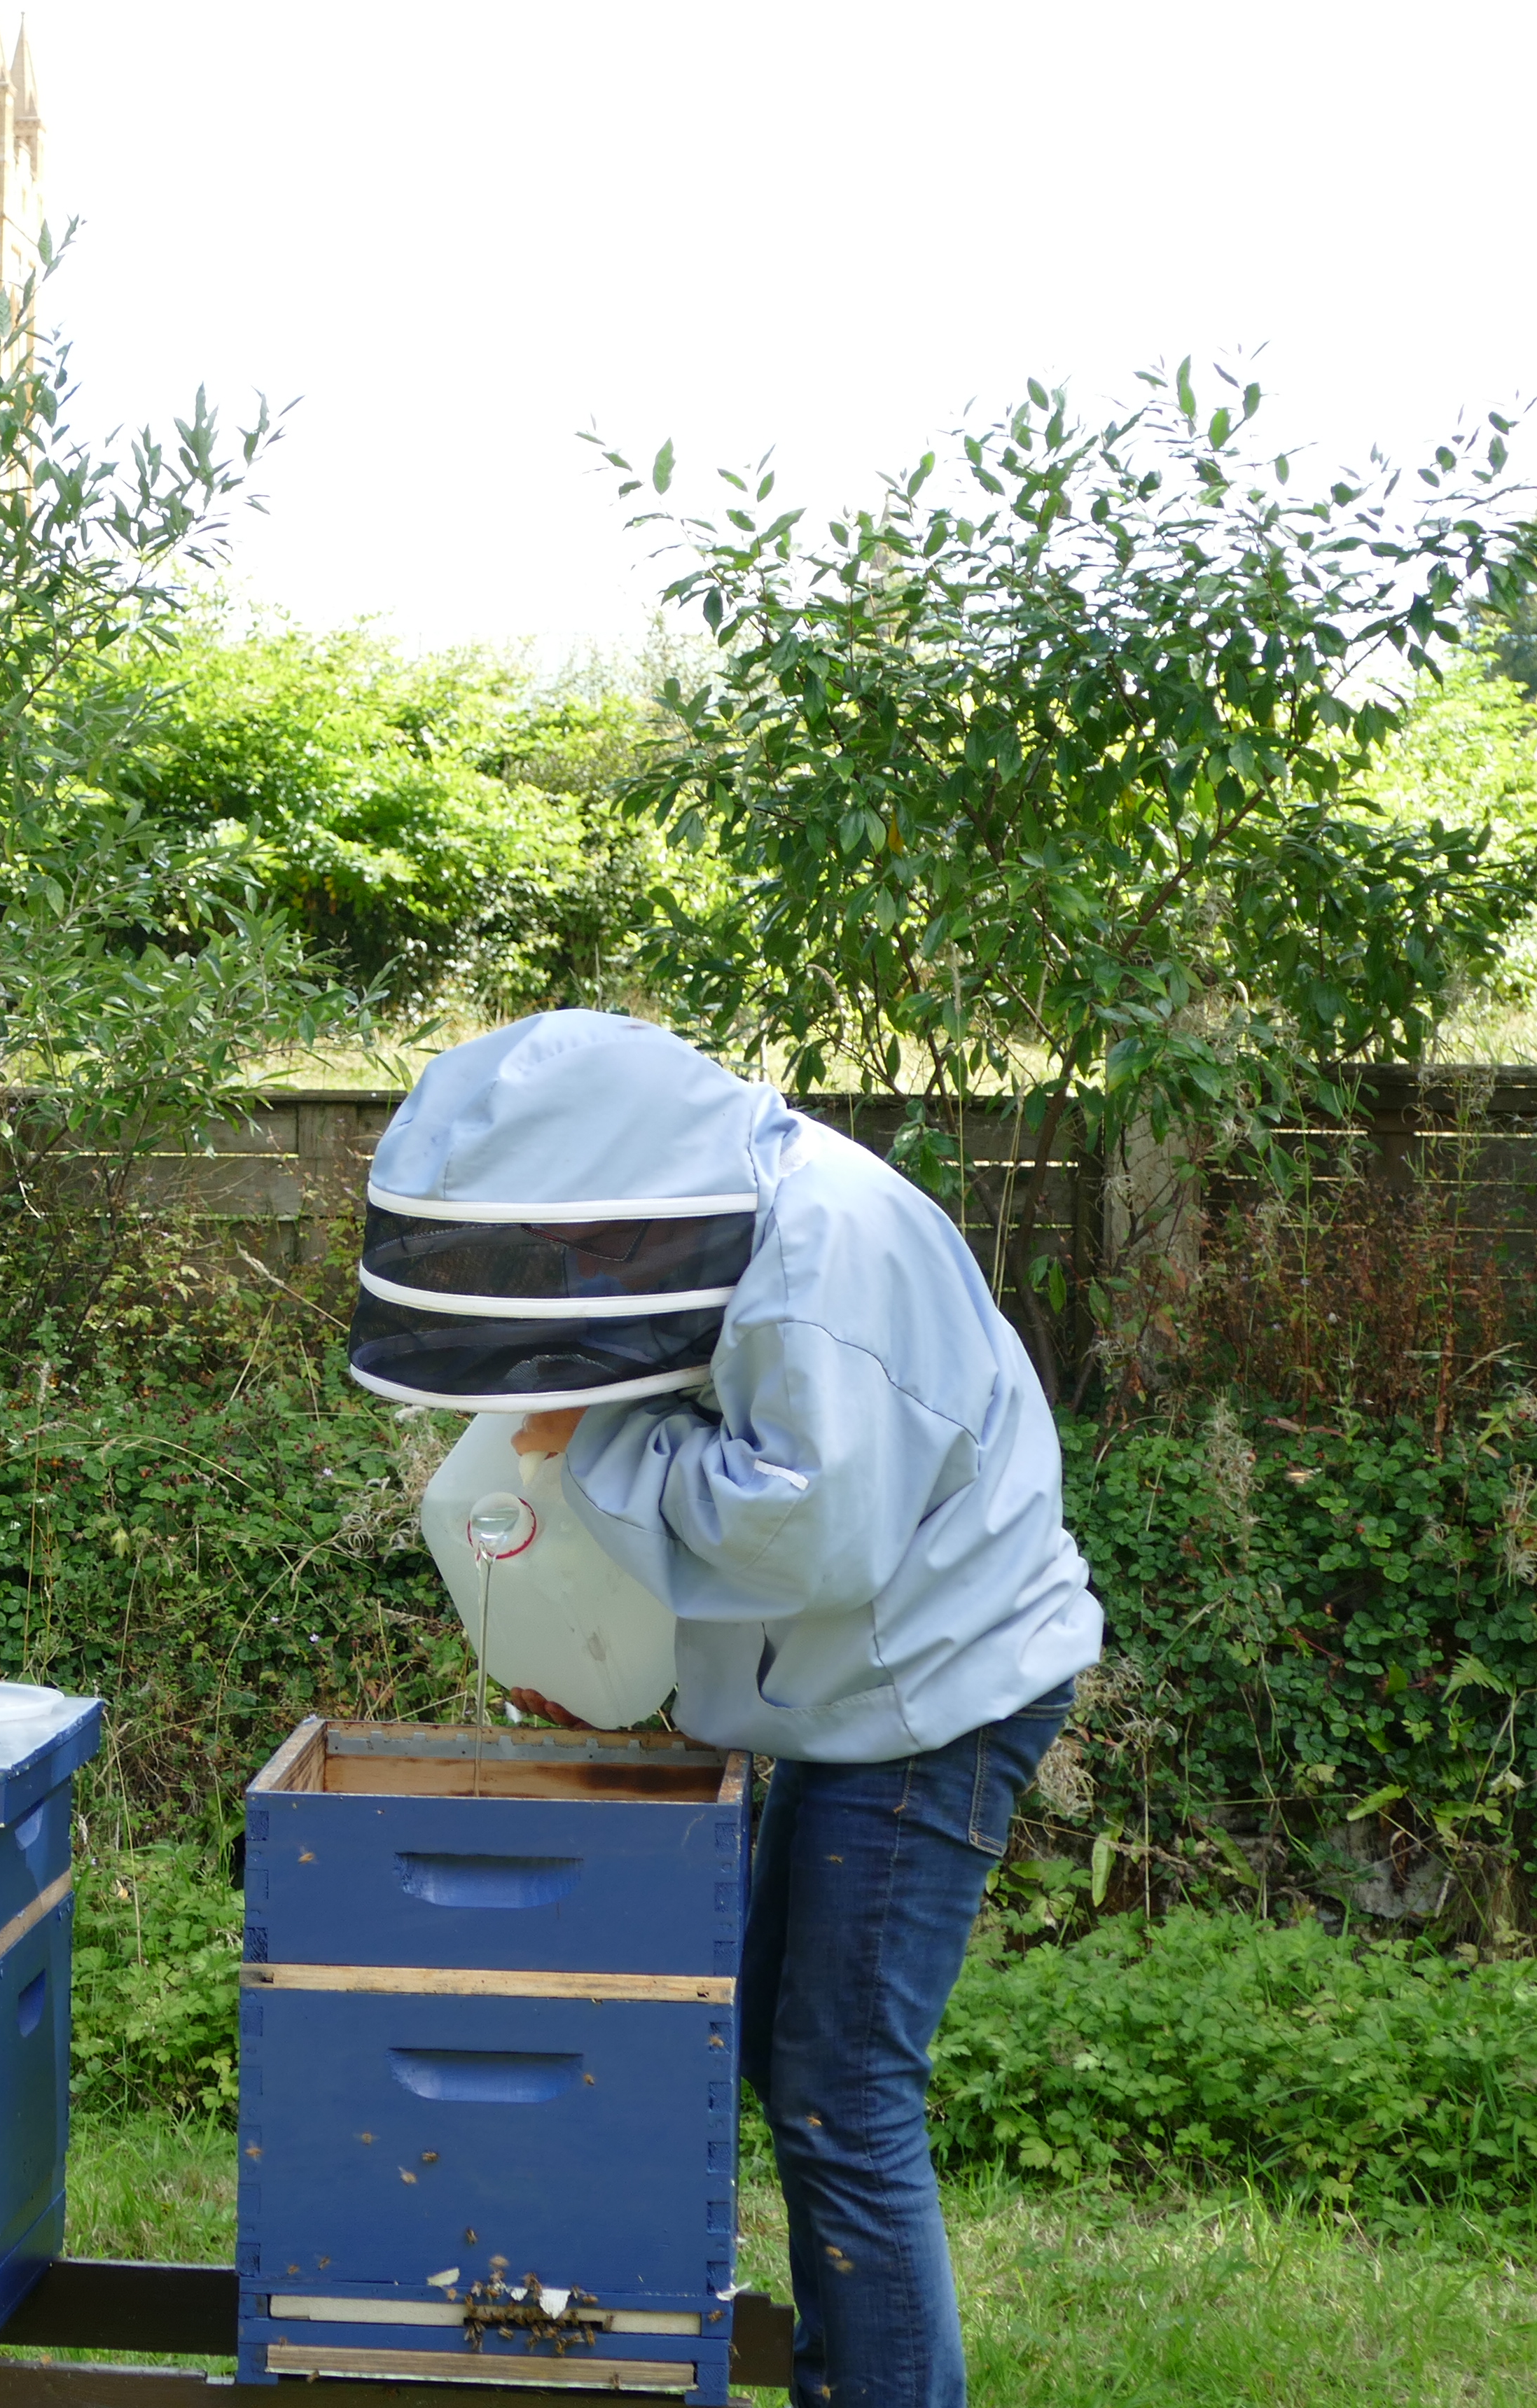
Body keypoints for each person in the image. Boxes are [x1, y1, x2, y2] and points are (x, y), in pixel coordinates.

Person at [347, 1010, 1100, 2408]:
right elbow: (731, 1508)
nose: (570, 1272)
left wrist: (595, 1443)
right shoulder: (738, 1226)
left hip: (933, 1694)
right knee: (786, 2054)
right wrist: (610, 1671)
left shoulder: (827, 1262)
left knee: (843, 2093)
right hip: (856, 1681)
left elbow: (805, 1534)